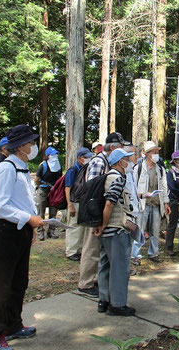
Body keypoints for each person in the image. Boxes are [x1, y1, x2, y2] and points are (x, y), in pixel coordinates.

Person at [0, 124, 44, 350]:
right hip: (5, 231)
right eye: (30, 143)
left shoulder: (21, 169)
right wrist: (28, 218)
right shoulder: (5, 169)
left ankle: (13, 325)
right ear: (20, 147)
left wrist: (32, 226)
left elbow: (23, 201)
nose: (33, 146)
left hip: (20, 231)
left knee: (19, 282)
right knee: (1, 285)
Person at [78, 132, 127, 298]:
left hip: (101, 212)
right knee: (91, 249)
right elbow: (92, 191)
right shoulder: (99, 162)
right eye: (120, 147)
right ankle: (85, 283)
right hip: (95, 213)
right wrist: (97, 217)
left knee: (99, 250)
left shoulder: (106, 162)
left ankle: (96, 280)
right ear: (112, 148)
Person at [94, 148, 136, 316]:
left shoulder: (105, 177)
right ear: (120, 162)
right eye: (127, 159)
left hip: (105, 231)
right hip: (116, 229)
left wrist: (101, 226)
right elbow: (110, 204)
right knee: (119, 267)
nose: (129, 162)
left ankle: (103, 300)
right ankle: (117, 304)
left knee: (104, 265)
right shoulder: (117, 179)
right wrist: (104, 225)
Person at [132, 141, 170, 264]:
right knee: (140, 230)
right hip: (143, 203)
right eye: (154, 152)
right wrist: (141, 196)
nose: (156, 154)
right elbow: (133, 187)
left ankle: (153, 253)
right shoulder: (138, 168)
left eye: (157, 152)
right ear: (148, 154)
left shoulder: (160, 169)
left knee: (155, 230)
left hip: (156, 204)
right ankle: (135, 255)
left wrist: (166, 202)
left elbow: (164, 187)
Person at [64, 147, 93, 261]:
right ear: (80, 158)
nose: (89, 159)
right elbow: (67, 188)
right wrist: (70, 205)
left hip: (83, 202)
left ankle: (79, 249)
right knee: (73, 226)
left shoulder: (86, 169)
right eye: (86, 157)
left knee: (81, 227)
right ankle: (71, 251)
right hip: (74, 202)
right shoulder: (72, 171)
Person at [34, 146, 62, 240]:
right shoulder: (43, 165)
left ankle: (51, 231)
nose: (55, 156)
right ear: (48, 155)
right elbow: (36, 179)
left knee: (53, 213)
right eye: (53, 154)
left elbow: (59, 178)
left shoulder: (58, 166)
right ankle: (40, 232)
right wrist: (39, 188)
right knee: (40, 213)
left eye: (56, 154)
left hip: (54, 191)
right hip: (43, 190)